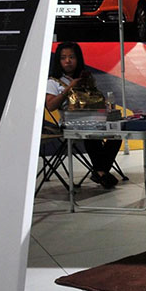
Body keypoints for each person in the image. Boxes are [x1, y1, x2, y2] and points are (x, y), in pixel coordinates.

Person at [45, 42, 121, 188]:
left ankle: (100, 171)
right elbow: (51, 106)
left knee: (118, 133)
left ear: (78, 59)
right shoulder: (53, 81)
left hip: (93, 118)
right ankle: (102, 172)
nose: (68, 61)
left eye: (72, 57)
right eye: (63, 58)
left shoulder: (86, 78)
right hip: (69, 122)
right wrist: (69, 88)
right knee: (91, 133)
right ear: (58, 61)